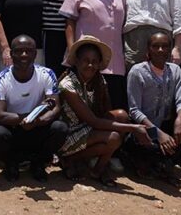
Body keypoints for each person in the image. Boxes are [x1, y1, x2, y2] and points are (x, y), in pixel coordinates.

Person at [57, 35, 151, 187]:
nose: (90, 65)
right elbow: (92, 121)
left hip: (90, 128)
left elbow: (105, 113)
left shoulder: (98, 80)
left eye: (94, 62)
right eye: (86, 61)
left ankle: (96, 168)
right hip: (69, 133)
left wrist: (127, 125)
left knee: (121, 115)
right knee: (113, 138)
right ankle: (74, 160)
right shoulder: (67, 84)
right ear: (77, 61)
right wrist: (134, 128)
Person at [0, 35, 67, 182]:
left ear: (35, 54)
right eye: (19, 51)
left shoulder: (47, 74)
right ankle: (11, 163)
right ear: (11, 54)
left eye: (28, 51)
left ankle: (38, 163)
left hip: (38, 127)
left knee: (59, 128)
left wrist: (37, 121)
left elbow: (55, 108)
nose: (24, 55)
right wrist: (26, 119)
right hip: (13, 129)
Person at [124, 31, 181, 183]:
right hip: (145, 128)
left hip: (165, 125)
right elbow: (134, 111)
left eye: (165, 46)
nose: (160, 50)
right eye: (155, 46)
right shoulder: (137, 72)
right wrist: (157, 134)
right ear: (148, 50)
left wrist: (180, 120)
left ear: (170, 48)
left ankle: (167, 161)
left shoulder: (175, 70)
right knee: (143, 145)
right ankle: (144, 160)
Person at [59, 0, 126, 109]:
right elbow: (69, 21)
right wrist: (72, 51)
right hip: (86, 61)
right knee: (86, 108)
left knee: (113, 107)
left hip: (114, 60)